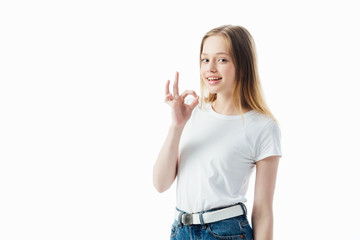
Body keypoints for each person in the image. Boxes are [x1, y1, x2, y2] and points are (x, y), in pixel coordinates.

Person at [153, 25, 282, 240]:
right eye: (205, 60)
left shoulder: (263, 127)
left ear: (243, 65)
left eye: (221, 60)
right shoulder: (191, 111)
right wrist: (177, 126)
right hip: (180, 230)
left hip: (226, 232)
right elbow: (160, 184)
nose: (210, 69)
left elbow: (263, 213)